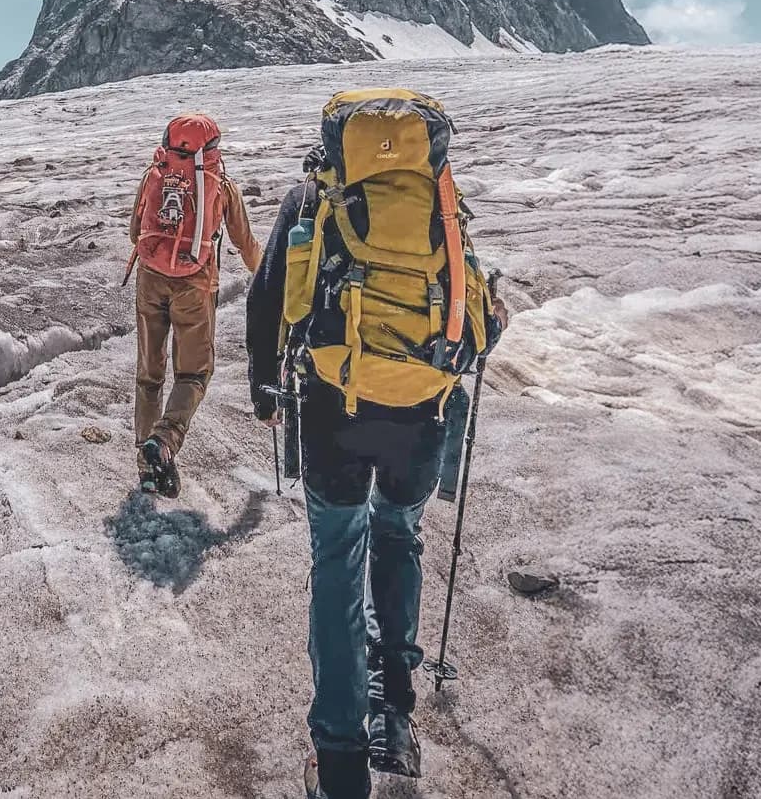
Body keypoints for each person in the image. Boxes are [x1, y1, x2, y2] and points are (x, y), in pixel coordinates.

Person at [247, 99, 504, 799]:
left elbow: (265, 298)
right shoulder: (439, 205)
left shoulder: (312, 198)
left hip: (335, 409)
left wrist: (266, 390)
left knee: (338, 558)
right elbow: (478, 316)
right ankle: (394, 717)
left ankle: (338, 759)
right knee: (399, 533)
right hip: (420, 414)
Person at [124, 112, 263, 498]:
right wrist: (267, 279)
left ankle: (146, 468)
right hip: (195, 286)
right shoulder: (220, 185)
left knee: (149, 375)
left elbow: (136, 232)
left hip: (150, 281)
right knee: (193, 374)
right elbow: (245, 242)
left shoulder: (155, 173)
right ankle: (165, 441)